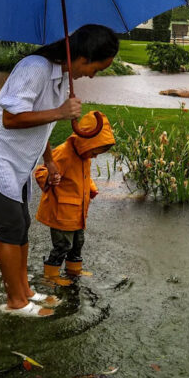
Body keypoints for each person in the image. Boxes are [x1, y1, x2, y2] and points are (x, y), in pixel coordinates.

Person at [0, 24, 118, 317]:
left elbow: (42, 126)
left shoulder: (61, 80)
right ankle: (15, 303)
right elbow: (11, 118)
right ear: (83, 56)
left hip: (19, 161)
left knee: (21, 223)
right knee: (12, 226)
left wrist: (49, 159)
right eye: (98, 67)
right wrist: (61, 112)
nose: (95, 74)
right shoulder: (34, 67)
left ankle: (25, 291)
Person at [33, 110, 115, 286]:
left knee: (78, 243)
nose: (95, 156)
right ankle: (51, 276)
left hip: (77, 213)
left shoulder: (84, 156)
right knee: (62, 246)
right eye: (94, 152)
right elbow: (41, 171)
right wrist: (49, 177)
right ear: (86, 142)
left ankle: (73, 271)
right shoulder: (65, 153)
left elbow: (83, 177)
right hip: (61, 214)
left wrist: (91, 188)